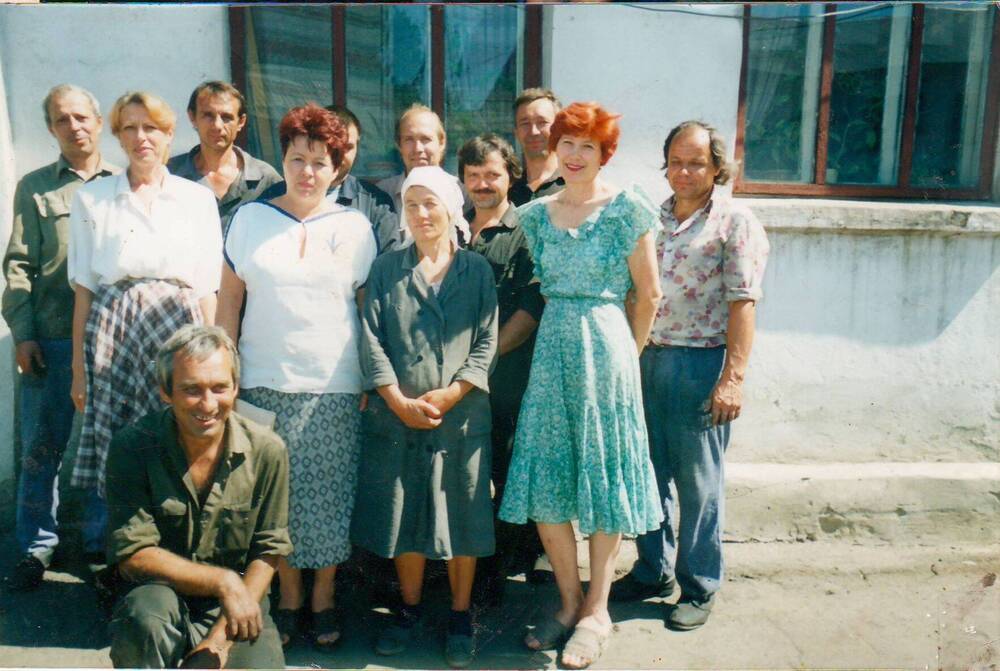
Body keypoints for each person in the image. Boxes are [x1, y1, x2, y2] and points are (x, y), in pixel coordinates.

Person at [498, 102, 664, 669]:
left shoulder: (625, 211)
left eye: (587, 146)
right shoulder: (537, 216)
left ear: (604, 154)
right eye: (567, 143)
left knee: (603, 482)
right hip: (552, 356)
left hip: (608, 349)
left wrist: (628, 359)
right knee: (547, 481)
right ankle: (567, 602)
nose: (573, 154)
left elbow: (649, 295)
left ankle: (597, 610)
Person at [216, 103, 377, 649]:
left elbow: (366, 310)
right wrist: (226, 375)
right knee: (274, 500)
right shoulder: (250, 219)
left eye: (319, 162)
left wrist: (371, 381)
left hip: (335, 386)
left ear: (337, 169)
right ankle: (286, 598)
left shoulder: (354, 226)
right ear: (282, 160)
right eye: (297, 158)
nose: (307, 171)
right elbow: (229, 303)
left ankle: (324, 598)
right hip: (262, 381)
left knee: (328, 497)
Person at [609, 120, 770, 631]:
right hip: (645, 359)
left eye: (695, 162)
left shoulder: (734, 222)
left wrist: (733, 378)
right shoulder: (652, 217)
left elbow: (743, 304)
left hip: (699, 365)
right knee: (646, 475)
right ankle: (651, 570)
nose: (683, 171)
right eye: (676, 161)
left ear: (717, 167)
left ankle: (699, 586)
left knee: (699, 486)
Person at [352, 166, 497, 668]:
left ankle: (460, 615)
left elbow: (487, 340)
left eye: (430, 203)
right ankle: (409, 610)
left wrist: (454, 392)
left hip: (460, 418)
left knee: (463, 513)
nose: (421, 213)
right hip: (399, 419)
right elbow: (369, 339)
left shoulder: (475, 270)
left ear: (451, 207)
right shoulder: (388, 268)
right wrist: (395, 399)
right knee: (404, 513)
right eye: (411, 204)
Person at [67, 91, 222, 520]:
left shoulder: (196, 199)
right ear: (117, 135)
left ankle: (178, 549)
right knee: (121, 443)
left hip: (178, 329)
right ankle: (122, 553)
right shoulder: (92, 198)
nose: (142, 138)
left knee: (178, 434)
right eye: (130, 128)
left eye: (151, 127)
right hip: (114, 333)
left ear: (170, 134)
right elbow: (84, 289)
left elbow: (208, 286)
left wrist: (215, 360)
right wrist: (79, 370)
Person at [105, 325, 291, 669]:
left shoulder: (267, 450)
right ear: (165, 392)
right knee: (144, 621)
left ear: (235, 387)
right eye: (191, 390)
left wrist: (219, 641)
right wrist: (223, 581)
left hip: (239, 603)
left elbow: (269, 549)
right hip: (158, 594)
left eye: (220, 387)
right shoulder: (132, 446)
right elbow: (132, 554)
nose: (208, 404)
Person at [1, 84, 120, 588]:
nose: (74, 127)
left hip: (110, 342)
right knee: (41, 450)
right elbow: (18, 265)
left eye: (81, 117)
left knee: (103, 448)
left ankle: (99, 543)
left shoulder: (122, 183)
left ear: (98, 121)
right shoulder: (34, 187)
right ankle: (36, 547)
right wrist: (22, 333)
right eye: (61, 119)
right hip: (50, 340)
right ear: (51, 129)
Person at [457, 134, 544, 604]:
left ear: (510, 174)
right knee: (466, 478)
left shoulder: (527, 229)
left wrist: (482, 364)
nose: (483, 184)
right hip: (455, 382)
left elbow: (530, 309)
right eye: (474, 175)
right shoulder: (454, 227)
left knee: (506, 476)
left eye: (492, 174)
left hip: (504, 379)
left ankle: (498, 578)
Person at [257, 103, 398, 254]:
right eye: (333, 148)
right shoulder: (270, 199)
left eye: (348, 147)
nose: (340, 155)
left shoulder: (376, 204)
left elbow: (387, 267)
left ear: (358, 148)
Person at [167, 81, 281, 231]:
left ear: (241, 121)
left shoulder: (265, 179)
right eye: (208, 115)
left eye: (226, 117)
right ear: (192, 117)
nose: (217, 126)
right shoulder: (169, 175)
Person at [376, 104, 469, 248]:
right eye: (409, 139)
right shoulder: (381, 195)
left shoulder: (463, 192)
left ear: (442, 142)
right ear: (399, 145)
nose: (418, 149)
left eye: (425, 139)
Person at [509, 88, 565, 207]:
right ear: (516, 132)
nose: (533, 131)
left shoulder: (574, 186)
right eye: (525, 123)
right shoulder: (507, 191)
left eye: (542, 122)